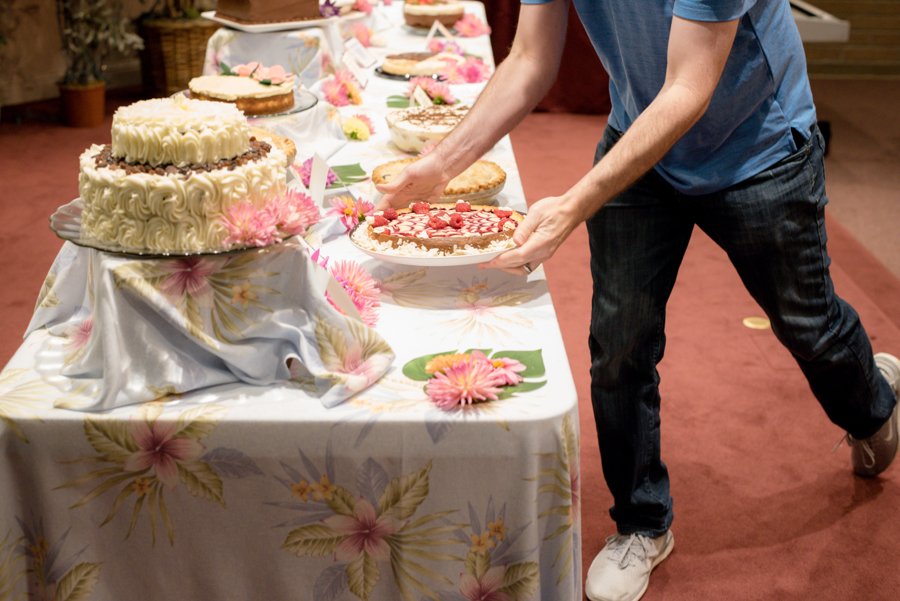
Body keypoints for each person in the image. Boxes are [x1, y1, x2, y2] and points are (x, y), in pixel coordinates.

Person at [375, 1, 900, 599]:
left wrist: (575, 203)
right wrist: (439, 164)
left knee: (809, 326)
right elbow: (528, 59)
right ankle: (641, 523)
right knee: (619, 342)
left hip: (759, 151)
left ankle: (873, 402)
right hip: (641, 140)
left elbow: (688, 88)